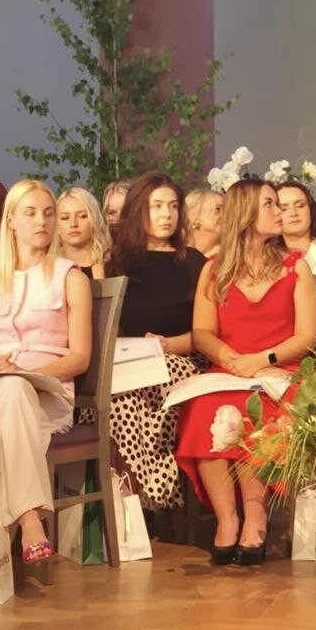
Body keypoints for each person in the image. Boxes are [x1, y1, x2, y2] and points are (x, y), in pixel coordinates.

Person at [175, 180, 316, 565]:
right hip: (231, 368)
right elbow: (202, 332)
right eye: (270, 204)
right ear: (246, 214)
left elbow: (307, 336)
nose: (280, 211)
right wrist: (229, 356)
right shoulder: (214, 270)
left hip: (281, 369)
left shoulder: (295, 267)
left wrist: (263, 359)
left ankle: (256, 517)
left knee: (252, 410)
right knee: (204, 410)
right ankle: (227, 519)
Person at [0, 179, 92, 565]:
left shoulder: (71, 277)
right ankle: (31, 518)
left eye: (48, 214)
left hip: (47, 394)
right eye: (31, 213)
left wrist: (33, 376)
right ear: (11, 222)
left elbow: (80, 357)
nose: (42, 222)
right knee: (9, 391)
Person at [105, 173, 207, 509]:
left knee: (143, 387)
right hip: (131, 362)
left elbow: (208, 331)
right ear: (139, 211)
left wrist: (166, 346)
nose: (167, 215)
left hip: (183, 359)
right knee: (120, 394)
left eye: (173, 206)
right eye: (157, 206)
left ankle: (143, 498)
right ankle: (137, 497)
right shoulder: (117, 263)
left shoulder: (193, 262)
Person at [57, 187, 108, 278]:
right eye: (65, 218)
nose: (73, 224)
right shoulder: (47, 269)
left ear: (94, 220)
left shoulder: (112, 264)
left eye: (82, 216)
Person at [184, 188, 223, 257]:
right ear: (194, 215)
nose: (225, 214)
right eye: (218, 209)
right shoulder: (175, 253)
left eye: (227, 210)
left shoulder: (228, 258)